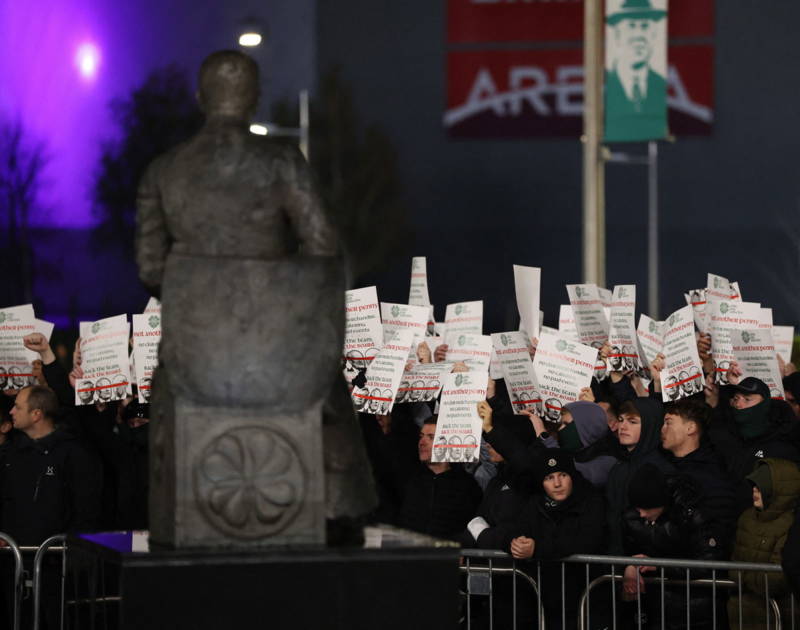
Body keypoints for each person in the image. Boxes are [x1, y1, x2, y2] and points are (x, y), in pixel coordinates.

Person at [508, 450, 606, 630]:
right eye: (549, 478)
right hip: (543, 599)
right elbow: (513, 530)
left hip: (583, 598)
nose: (557, 484)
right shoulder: (534, 503)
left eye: (563, 475)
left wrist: (537, 549)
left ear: (572, 476)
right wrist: (514, 544)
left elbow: (586, 540)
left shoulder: (591, 500)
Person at [621, 464, 728, 630]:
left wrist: (659, 565)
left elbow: (709, 561)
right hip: (657, 608)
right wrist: (629, 565)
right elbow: (632, 549)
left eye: (646, 508)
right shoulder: (633, 517)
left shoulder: (692, 513)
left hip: (696, 609)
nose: (641, 514)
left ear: (660, 502)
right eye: (637, 508)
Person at [0, 386, 102, 545]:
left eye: (18, 407)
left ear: (36, 414)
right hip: (13, 557)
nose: (11, 411)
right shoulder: (10, 453)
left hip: (56, 558)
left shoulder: (73, 453)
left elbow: (86, 509)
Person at [728, 458, 800, 629]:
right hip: (741, 615)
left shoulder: (791, 524)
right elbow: (732, 566)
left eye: (761, 486)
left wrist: (744, 577)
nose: (755, 490)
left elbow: (778, 577)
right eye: (754, 485)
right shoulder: (746, 518)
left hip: (778, 617)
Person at [706, 376, 800, 503]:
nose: (739, 404)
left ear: (764, 404)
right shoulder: (729, 435)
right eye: (736, 398)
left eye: (747, 399)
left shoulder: (783, 447)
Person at [659, 398, 739, 544]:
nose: (662, 429)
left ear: (690, 428)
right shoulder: (668, 468)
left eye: (668, 423)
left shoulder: (711, 474)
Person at [605, 398, 674, 554]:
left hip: (645, 567)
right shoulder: (619, 467)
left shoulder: (662, 470)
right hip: (616, 563)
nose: (623, 426)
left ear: (651, 425)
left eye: (632, 421)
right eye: (621, 420)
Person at [398, 417, 482, 540]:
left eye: (431, 437)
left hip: (447, 556)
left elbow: (474, 527)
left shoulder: (467, 486)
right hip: (410, 556)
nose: (422, 442)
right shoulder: (408, 480)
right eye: (421, 436)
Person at [604, 0, 668, 141]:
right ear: (617, 34)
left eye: (645, 26)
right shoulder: (600, 87)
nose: (639, 36)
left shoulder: (665, 88)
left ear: (653, 34)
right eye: (631, 26)